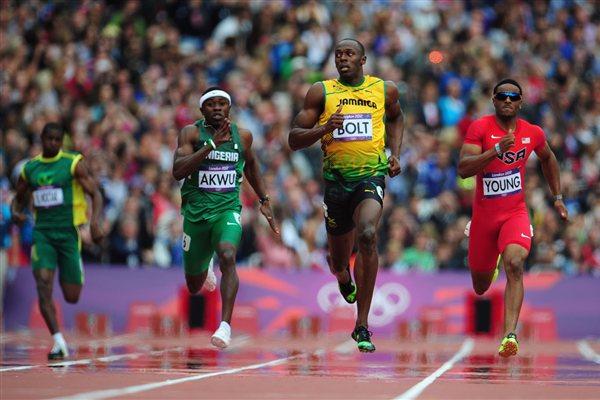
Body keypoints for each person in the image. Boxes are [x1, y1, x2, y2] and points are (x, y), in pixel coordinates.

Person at [288, 39, 404, 352]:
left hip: (370, 176)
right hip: (336, 183)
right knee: (339, 261)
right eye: (338, 54)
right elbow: (294, 139)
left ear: (363, 59)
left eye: (349, 53)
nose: (343, 58)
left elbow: (396, 117)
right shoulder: (321, 92)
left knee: (367, 235)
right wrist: (324, 129)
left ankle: (362, 324)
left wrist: (395, 153)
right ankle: (342, 276)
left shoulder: (383, 89)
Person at [458, 78, 568, 357]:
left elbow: (548, 158)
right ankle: (491, 262)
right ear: (494, 100)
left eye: (513, 97)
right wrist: (495, 151)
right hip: (484, 218)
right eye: (502, 96)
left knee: (516, 263)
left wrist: (557, 198)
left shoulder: (532, 132)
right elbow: (463, 169)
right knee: (481, 287)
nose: (508, 100)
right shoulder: (480, 128)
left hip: (515, 213)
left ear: (521, 102)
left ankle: (509, 335)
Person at [172, 87, 279, 349]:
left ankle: (225, 325)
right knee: (195, 285)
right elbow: (177, 171)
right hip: (196, 215)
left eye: (222, 104)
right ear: (202, 110)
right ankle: (204, 261)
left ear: (229, 108)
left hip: (227, 209)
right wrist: (209, 147)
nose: (217, 108)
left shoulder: (243, 136)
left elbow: (252, 165)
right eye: (211, 104)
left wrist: (264, 200)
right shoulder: (191, 134)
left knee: (229, 255)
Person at [11, 122, 104, 360]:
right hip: (42, 233)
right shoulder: (31, 168)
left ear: (62, 141)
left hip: (68, 234)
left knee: (72, 295)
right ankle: (58, 341)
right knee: (43, 285)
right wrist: (16, 212)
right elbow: (18, 199)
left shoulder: (73, 163)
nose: (53, 143)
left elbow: (95, 193)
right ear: (41, 139)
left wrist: (94, 222)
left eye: (57, 139)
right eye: (49, 139)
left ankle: (73, 270)